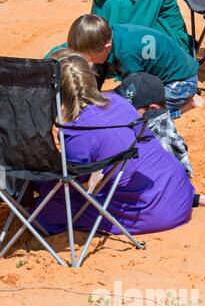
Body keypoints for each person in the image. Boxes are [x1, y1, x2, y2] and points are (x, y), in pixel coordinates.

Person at [32, 52, 195, 237]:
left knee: (49, 209)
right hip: (180, 193)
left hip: (154, 211)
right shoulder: (119, 102)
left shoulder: (77, 131)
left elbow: (68, 184)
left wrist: (35, 181)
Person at [60, 13, 202, 117]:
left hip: (181, 82)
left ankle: (184, 107)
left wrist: (102, 101)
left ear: (107, 47)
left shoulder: (126, 55)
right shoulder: (111, 37)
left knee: (137, 116)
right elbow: (99, 71)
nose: (88, 62)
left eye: (89, 57)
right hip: (155, 76)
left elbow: (136, 92)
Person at [116, 72, 205, 208]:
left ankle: (200, 200)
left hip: (157, 197)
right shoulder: (143, 122)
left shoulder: (163, 136)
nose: (123, 111)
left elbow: (174, 178)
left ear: (152, 109)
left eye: (130, 108)